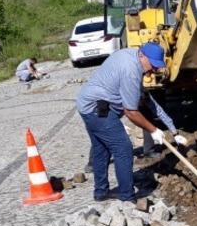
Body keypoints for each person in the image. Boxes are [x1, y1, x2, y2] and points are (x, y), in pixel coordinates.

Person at [76, 43, 186, 202]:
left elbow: (153, 105)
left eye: (156, 66)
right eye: (152, 65)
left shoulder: (133, 58)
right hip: (96, 109)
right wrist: (154, 130)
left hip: (87, 104)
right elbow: (131, 112)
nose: (152, 70)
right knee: (124, 148)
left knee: (101, 149)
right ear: (142, 55)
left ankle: (101, 193)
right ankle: (127, 196)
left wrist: (174, 132)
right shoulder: (131, 71)